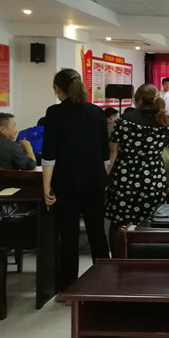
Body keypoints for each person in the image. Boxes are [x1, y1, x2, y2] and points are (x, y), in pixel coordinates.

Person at [41, 68, 110, 298]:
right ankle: (104, 285)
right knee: (97, 233)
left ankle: (68, 289)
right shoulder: (97, 112)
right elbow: (104, 153)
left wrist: (46, 185)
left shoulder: (54, 113)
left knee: (68, 236)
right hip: (95, 181)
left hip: (67, 183)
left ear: (58, 89)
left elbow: (49, 154)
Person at [105, 84, 169, 251]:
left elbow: (113, 149)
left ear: (137, 100)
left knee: (118, 222)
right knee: (151, 221)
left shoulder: (125, 119)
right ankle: (147, 256)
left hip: (125, 176)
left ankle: (117, 258)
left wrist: (107, 173)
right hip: (153, 176)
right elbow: (164, 144)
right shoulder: (167, 121)